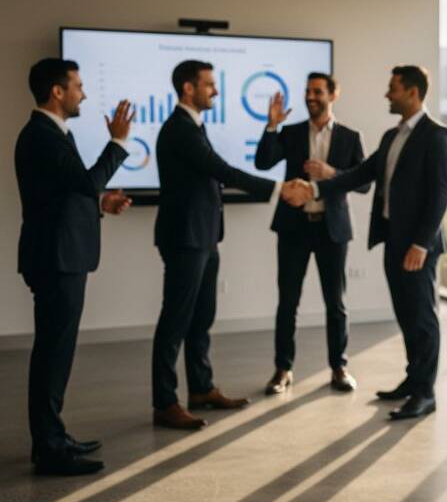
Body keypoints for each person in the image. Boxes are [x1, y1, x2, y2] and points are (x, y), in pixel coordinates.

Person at [291, 65, 447, 420]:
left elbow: (440, 195)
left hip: (417, 248)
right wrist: (315, 188)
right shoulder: (391, 137)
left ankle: (425, 393)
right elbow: (360, 175)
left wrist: (422, 245)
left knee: (423, 318)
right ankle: (413, 380)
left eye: (392, 88)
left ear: (412, 92)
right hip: (393, 240)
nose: (387, 94)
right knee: (406, 315)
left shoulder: (436, 136)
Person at [151, 60, 304, 430]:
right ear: (188, 88)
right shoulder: (179, 130)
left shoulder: (192, 126)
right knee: (175, 321)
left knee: (201, 319)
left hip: (203, 236)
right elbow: (221, 170)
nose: (215, 92)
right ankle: (165, 402)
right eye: (209, 85)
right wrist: (277, 188)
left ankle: (201, 389)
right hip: (186, 238)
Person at [16, 58, 134, 475]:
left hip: (60, 254)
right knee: (53, 352)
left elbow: (64, 194)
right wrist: (117, 143)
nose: (83, 93)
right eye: (78, 86)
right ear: (57, 92)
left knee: (56, 350)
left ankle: (53, 437)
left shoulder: (50, 134)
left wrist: (100, 204)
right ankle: (49, 449)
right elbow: (84, 181)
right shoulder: (43, 136)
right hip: (56, 258)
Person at [254, 72, 369, 394]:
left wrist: (333, 173)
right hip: (293, 228)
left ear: (333, 95)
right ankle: (282, 370)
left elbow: (364, 183)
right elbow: (263, 163)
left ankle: (339, 367)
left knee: (336, 303)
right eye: (307, 91)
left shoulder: (349, 136)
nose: (310, 96)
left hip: (332, 230)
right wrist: (271, 125)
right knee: (287, 302)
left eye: (317, 91)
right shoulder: (290, 133)